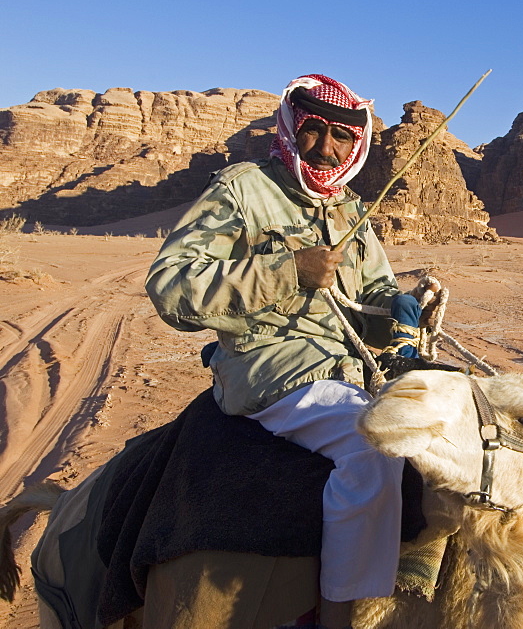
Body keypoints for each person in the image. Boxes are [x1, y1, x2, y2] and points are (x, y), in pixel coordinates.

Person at [145, 74, 430, 629]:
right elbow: (171, 286)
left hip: (348, 369)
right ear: (292, 127)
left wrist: (399, 312)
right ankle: (337, 617)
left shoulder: (350, 210)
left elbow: (372, 292)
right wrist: (286, 271)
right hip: (270, 368)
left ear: (358, 144)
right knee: (374, 448)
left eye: (342, 137)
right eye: (314, 131)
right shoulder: (245, 190)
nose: (326, 148)